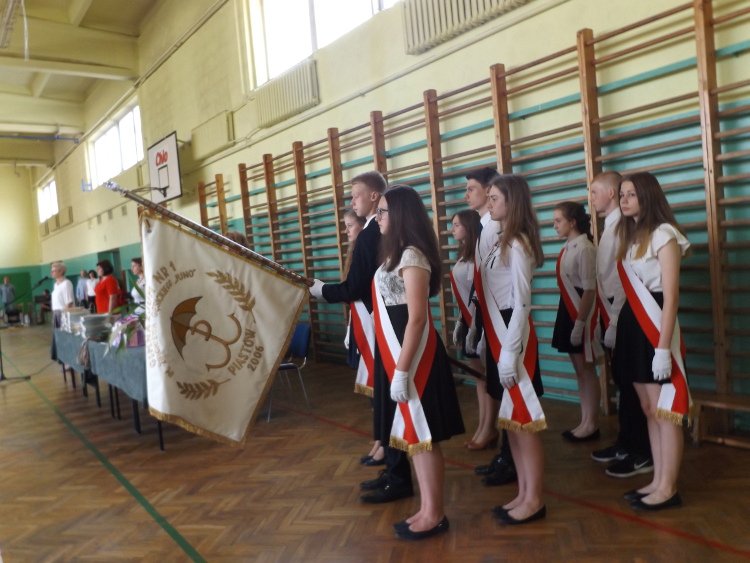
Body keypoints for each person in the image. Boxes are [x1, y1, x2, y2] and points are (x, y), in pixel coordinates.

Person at [308, 171, 411, 503]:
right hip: (382, 323)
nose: (352, 201)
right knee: (384, 402)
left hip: (383, 326)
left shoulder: (370, 236)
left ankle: (398, 475)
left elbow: (355, 287)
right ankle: (393, 469)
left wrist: (321, 290)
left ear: (375, 197)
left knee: (388, 403)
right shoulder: (375, 233)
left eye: (356, 195)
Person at [373, 185, 464, 539]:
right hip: (399, 354)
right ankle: (427, 508)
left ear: (399, 215)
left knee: (425, 437)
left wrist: (401, 370)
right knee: (414, 438)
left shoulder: (412, 255)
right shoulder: (395, 253)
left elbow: (416, 319)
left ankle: (435, 513)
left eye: (382, 211)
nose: (378, 217)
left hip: (414, 357)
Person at [612, 172, 691, 511]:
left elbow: (670, 297)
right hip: (633, 323)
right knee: (648, 408)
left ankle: (669, 488)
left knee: (664, 410)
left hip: (656, 323)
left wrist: (662, 348)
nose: (624, 200)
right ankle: (658, 479)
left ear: (647, 196)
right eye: (622, 194)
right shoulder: (631, 237)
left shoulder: (664, 234)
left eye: (631, 194)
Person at [481, 174, 546, 525]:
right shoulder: (499, 241)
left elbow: (521, 302)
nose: (489, 203)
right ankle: (523, 492)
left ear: (512, 202)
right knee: (512, 423)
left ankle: (534, 499)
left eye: (494, 198)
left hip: (513, 335)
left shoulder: (517, 243)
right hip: (499, 332)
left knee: (524, 422)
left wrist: (511, 351)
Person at [589, 171, 653, 478]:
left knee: (632, 382)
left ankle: (640, 449)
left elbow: (621, 280)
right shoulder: (612, 226)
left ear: (610, 194)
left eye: (594, 192)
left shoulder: (622, 228)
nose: (591, 198)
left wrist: (614, 319)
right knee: (624, 381)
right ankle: (627, 442)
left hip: (625, 312)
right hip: (613, 313)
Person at [463, 167, 517, 487]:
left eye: (472, 189)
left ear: (489, 191)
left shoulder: (497, 228)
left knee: (508, 390)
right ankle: (504, 453)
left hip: (503, 316)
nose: (467, 195)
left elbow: (504, 285)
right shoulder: (485, 226)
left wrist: (482, 323)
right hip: (490, 314)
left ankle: (510, 456)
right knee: (496, 385)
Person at [552, 202, 600, 442]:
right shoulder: (568, 248)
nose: (554, 226)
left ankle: (591, 423)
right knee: (579, 371)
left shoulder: (585, 248)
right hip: (567, 311)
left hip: (581, 312)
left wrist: (580, 323)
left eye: (558, 221)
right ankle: (584, 420)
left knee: (587, 370)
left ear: (572, 222)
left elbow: (590, 290)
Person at [449, 209, 495, 450]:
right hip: (468, 320)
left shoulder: (479, 254)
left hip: (480, 321)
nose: (452, 229)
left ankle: (489, 428)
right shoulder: (463, 254)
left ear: (468, 226)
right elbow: (465, 295)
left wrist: (475, 325)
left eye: (457, 224)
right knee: (479, 378)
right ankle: (482, 426)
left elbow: (479, 294)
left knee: (486, 377)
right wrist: (461, 321)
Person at [341, 209, 383, 466]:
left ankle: (382, 439)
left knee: (377, 386)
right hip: (359, 324)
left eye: (350, 225)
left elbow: (358, 291)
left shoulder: (368, 249)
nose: (347, 231)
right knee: (372, 391)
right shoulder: (355, 251)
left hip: (371, 325)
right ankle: (379, 436)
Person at [50, 261, 74, 360]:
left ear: (61, 271)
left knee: (65, 338)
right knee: (58, 338)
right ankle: (62, 358)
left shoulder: (67, 283)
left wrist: (64, 317)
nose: (52, 272)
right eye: (51, 271)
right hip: (56, 313)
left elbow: (69, 302)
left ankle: (68, 360)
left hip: (63, 314)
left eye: (54, 270)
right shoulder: (56, 285)